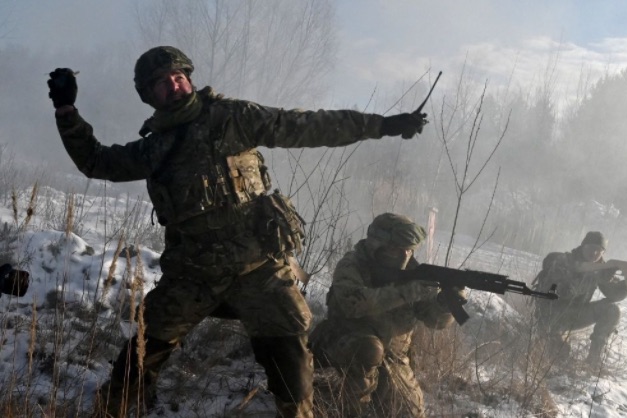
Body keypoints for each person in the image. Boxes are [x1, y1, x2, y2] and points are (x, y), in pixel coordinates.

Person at [47, 46, 427, 418]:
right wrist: (67, 112)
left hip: (258, 268)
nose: (175, 86)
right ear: (149, 96)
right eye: (162, 83)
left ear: (190, 80)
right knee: (142, 351)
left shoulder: (232, 118)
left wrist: (382, 125)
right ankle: (111, 408)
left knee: (292, 364)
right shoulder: (154, 148)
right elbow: (97, 161)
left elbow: (306, 126)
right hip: (193, 273)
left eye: (179, 77)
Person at [309, 213, 463, 417]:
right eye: (396, 249)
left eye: (408, 250)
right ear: (376, 244)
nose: (403, 255)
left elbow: (435, 320)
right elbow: (352, 304)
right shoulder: (353, 264)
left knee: (408, 412)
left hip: (393, 354)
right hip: (342, 340)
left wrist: (446, 304)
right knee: (368, 349)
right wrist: (404, 293)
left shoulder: (415, 273)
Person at [531, 231, 627, 369]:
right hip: (551, 316)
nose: (594, 253)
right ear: (582, 247)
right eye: (591, 248)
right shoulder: (563, 262)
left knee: (611, 310)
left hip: (575, 315)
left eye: (599, 250)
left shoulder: (600, 268)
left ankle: (594, 360)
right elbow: (562, 293)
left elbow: (614, 295)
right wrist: (592, 277)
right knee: (559, 356)